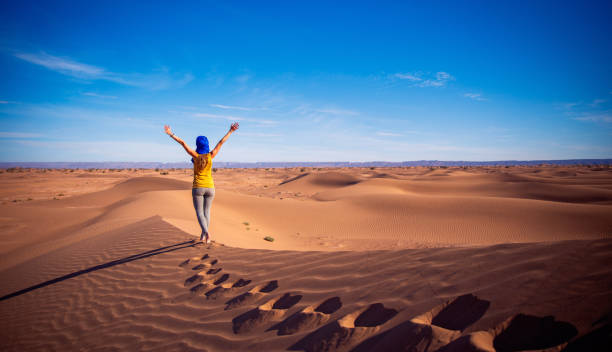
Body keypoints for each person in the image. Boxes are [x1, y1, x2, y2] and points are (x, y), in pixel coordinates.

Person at [164, 122, 239, 244]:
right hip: (210, 188)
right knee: (206, 212)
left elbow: (183, 143)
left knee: (199, 212)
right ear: (207, 144)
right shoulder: (211, 155)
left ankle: (207, 233)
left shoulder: (195, 155)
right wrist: (230, 131)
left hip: (198, 188)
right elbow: (221, 142)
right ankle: (204, 234)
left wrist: (171, 134)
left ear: (197, 145)